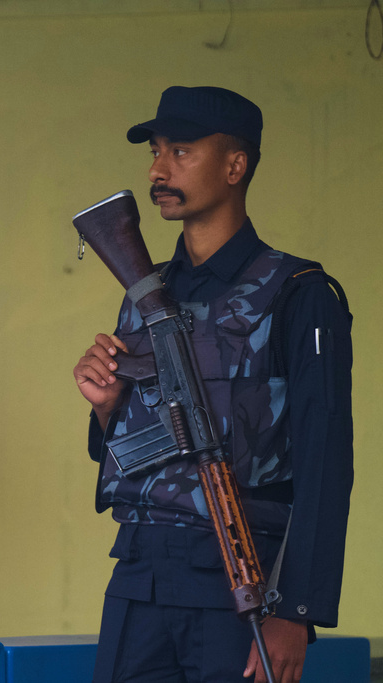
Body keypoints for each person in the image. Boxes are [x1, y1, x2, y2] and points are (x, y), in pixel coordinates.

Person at [72, 86, 353, 683]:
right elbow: (125, 445)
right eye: (155, 151)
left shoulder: (300, 295)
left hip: (239, 578)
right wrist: (103, 410)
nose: (157, 169)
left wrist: (296, 612)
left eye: (181, 151)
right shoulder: (142, 292)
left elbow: (326, 462)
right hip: (139, 574)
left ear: (234, 165)